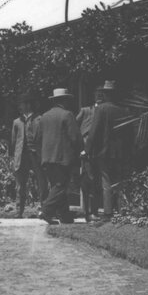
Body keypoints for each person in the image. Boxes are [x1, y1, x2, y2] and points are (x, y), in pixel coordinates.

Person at [31, 87, 82, 224]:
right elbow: (75, 137)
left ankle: (65, 216)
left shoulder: (44, 116)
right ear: (64, 100)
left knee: (56, 186)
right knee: (60, 186)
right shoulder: (67, 115)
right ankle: (46, 210)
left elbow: (37, 139)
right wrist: (80, 151)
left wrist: (42, 154)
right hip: (62, 158)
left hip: (47, 158)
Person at [86, 80, 129, 221]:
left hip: (105, 151)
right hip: (120, 150)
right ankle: (121, 208)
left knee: (106, 181)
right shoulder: (122, 110)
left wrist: (87, 150)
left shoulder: (102, 109)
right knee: (118, 180)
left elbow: (94, 132)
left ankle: (108, 212)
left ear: (105, 94)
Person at [76, 88, 105, 223]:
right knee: (88, 180)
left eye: (101, 94)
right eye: (96, 94)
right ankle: (88, 212)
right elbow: (74, 127)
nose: (99, 96)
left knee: (97, 181)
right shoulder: (86, 111)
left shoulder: (105, 110)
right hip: (86, 151)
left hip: (100, 150)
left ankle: (93, 211)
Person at [8, 95, 37, 218]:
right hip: (21, 156)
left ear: (28, 105)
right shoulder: (16, 122)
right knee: (20, 185)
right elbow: (13, 141)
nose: (20, 107)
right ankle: (19, 211)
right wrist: (13, 157)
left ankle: (45, 210)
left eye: (22, 104)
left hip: (35, 155)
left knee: (41, 183)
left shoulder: (38, 119)